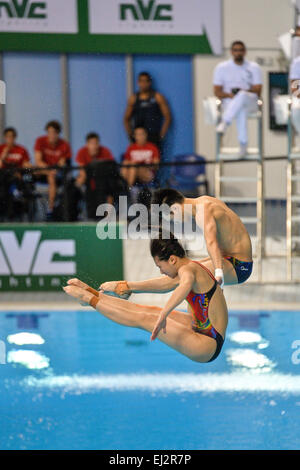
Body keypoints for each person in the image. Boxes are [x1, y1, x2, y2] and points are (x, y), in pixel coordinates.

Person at [63, 235, 228, 363]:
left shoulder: (186, 271)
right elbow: (163, 285)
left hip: (207, 344)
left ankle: (91, 300)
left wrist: (164, 315)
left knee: (147, 318)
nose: (161, 271)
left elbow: (184, 287)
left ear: (172, 259)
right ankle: (93, 295)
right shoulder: (190, 267)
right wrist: (127, 285)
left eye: (160, 266)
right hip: (202, 328)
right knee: (147, 310)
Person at [152, 188, 253, 288]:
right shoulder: (205, 200)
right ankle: (136, 287)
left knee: (184, 276)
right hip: (230, 258)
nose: (176, 221)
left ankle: (135, 287)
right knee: (185, 268)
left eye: (172, 218)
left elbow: (211, 242)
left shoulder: (202, 213)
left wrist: (218, 272)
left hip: (240, 266)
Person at [214, 41, 263, 157]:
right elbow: (217, 91)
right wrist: (230, 95)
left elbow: (258, 90)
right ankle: (243, 144)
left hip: (250, 101)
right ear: (231, 52)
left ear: (245, 52)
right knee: (240, 109)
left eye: (241, 50)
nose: (238, 53)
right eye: (235, 50)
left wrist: (243, 91)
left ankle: (225, 122)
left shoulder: (254, 67)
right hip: (230, 103)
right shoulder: (222, 68)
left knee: (241, 95)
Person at [34, 120, 72, 220]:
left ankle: (50, 209)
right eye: (49, 132)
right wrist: (48, 170)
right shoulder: (40, 141)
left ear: (58, 133)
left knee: (51, 177)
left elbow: (62, 162)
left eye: (54, 132)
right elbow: (38, 161)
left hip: (56, 173)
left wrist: (53, 170)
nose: (51, 135)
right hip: (42, 171)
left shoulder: (64, 145)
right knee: (33, 169)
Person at [124, 71, 172, 149]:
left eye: (146, 81)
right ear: (138, 83)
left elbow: (168, 117)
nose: (144, 84)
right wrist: (131, 135)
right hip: (139, 137)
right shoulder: (134, 98)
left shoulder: (157, 97)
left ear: (149, 82)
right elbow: (126, 119)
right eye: (141, 81)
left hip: (154, 135)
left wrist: (162, 135)